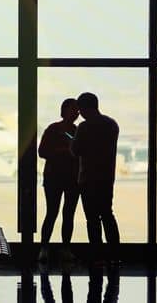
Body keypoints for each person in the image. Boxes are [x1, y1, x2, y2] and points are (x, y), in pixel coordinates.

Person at [71, 92, 121, 263]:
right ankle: (114, 255)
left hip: (87, 178)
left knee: (92, 219)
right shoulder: (111, 124)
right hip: (107, 177)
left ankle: (97, 255)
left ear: (85, 108)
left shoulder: (84, 128)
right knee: (107, 214)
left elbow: (75, 150)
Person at [38, 98, 81, 256]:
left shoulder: (55, 129)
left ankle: (47, 249)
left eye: (76, 110)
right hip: (62, 177)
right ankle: (60, 249)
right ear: (64, 111)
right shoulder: (71, 131)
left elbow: (43, 152)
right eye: (73, 110)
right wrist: (64, 151)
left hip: (57, 176)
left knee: (59, 213)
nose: (76, 113)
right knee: (59, 213)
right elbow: (42, 152)